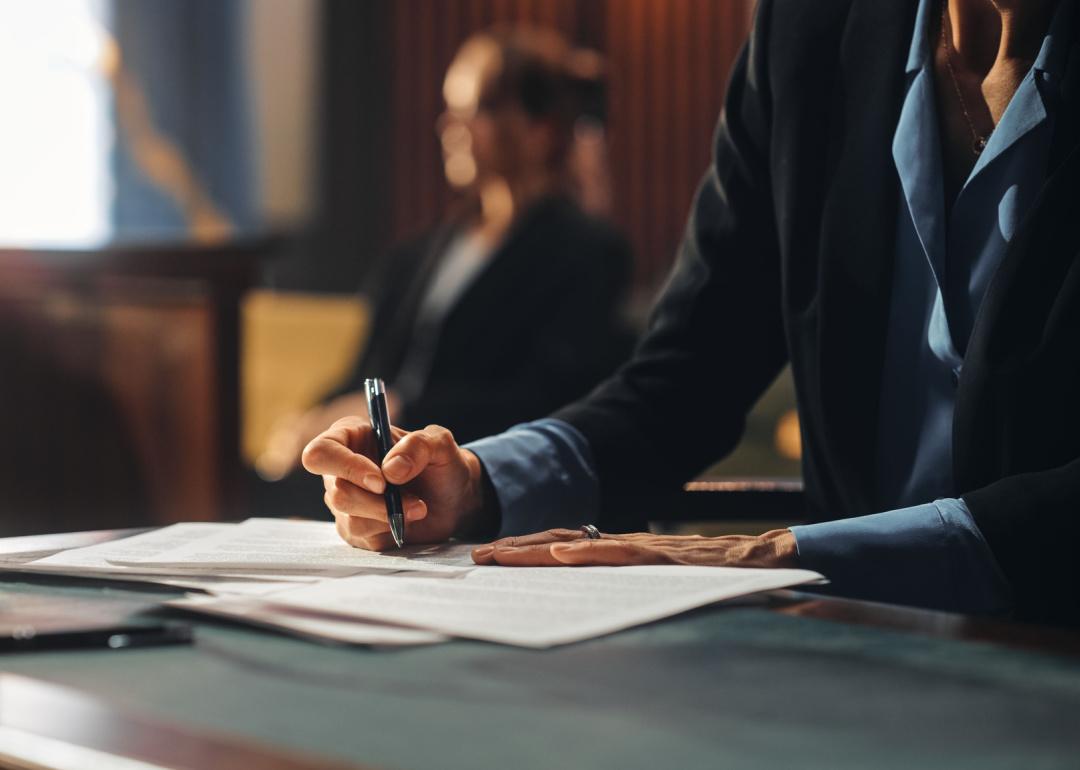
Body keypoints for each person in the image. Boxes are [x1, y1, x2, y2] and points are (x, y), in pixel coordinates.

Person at [302, 0, 1080, 628]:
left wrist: (777, 554)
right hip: (849, 650)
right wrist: (477, 483)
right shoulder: (806, 27)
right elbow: (685, 375)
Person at [256, 27, 632, 487]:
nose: (450, 126)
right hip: (376, 464)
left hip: (471, 474)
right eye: (452, 109)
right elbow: (365, 372)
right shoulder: (416, 255)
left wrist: (404, 409)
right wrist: (311, 420)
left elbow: (549, 398)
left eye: (478, 110)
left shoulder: (587, 253)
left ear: (542, 128)